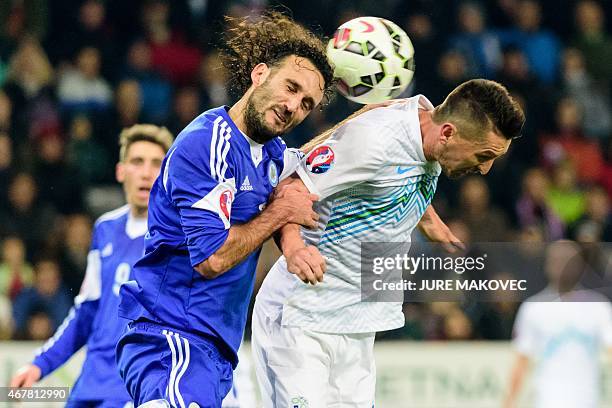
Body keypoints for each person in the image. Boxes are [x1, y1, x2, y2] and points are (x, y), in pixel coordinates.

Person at [251, 79, 526, 407]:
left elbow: (399, 175)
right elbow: (291, 186)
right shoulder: (375, 140)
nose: (485, 168)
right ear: (449, 133)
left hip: (358, 321)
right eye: (484, 155)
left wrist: (427, 217)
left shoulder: (428, 121)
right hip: (302, 317)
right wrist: (294, 247)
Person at [115, 11, 334, 407]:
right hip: (172, 339)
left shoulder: (272, 153)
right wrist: (281, 214)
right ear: (259, 74)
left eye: (306, 103)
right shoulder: (209, 144)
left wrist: (294, 245)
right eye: (290, 87)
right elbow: (212, 258)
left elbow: (285, 192)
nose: (293, 106)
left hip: (212, 352)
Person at [10, 124, 173, 407]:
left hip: (136, 388)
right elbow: (86, 311)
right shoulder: (105, 229)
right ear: (121, 171)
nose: (147, 172)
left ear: (168, 175)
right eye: (137, 162)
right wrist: (39, 364)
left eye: (157, 164)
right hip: (89, 383)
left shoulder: (176, 237)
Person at [503, 240, 612, 408]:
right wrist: (509, 403)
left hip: (588, 401)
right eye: (556, 260)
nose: (561, 265)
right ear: (546, 265)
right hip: (546, 402)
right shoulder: (533, 308)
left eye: (568, 260)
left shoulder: (599, 308)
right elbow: (522, 361)